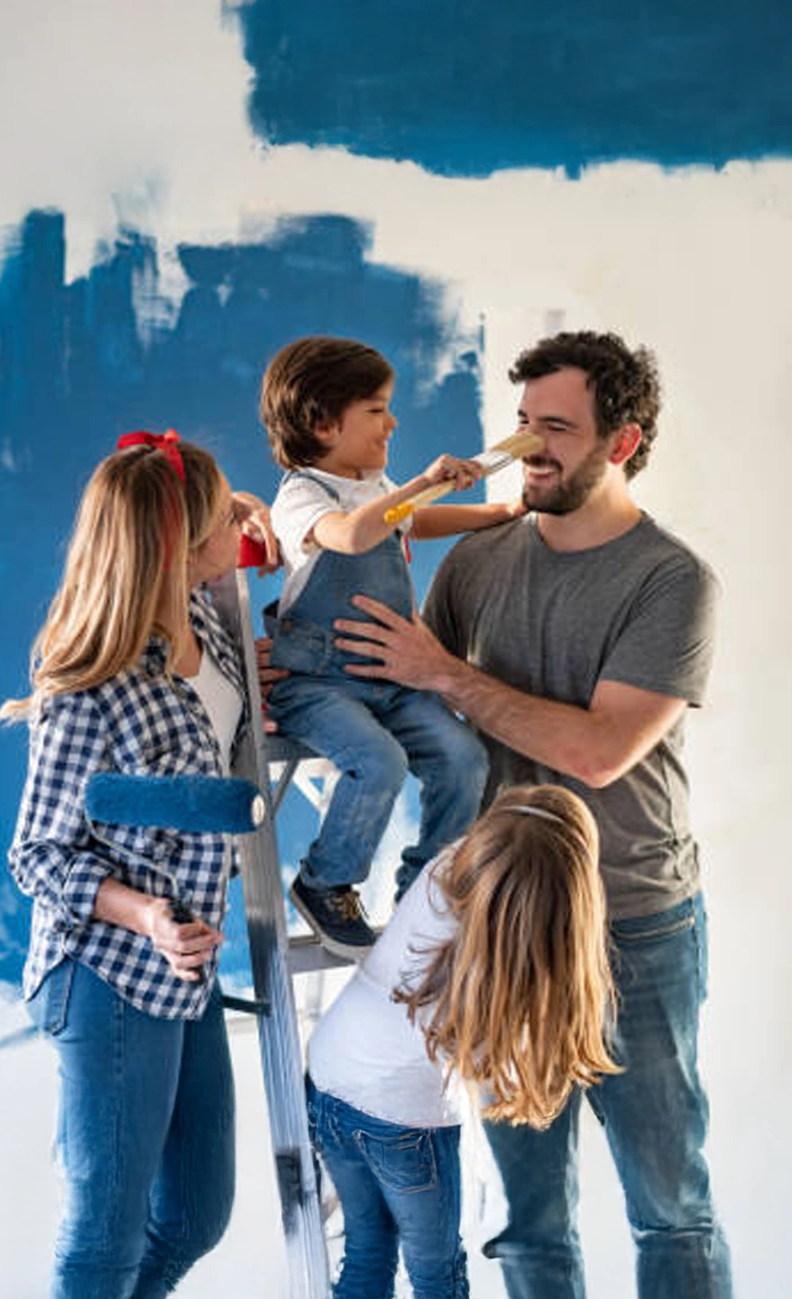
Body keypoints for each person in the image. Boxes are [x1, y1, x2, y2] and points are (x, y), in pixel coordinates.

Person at [332, 331, 733, 1299]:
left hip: (634, 923)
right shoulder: (479, 560)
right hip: (503, 924)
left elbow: (599, 750)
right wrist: (295, 680)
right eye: (521, 423)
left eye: (556, 428)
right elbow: (413, 692)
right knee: (527, 1224)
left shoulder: (672, 580)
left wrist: (445, 673)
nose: (526, 447)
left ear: (623, 442)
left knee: (669, 1206)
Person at [0, 430, 276, 1299]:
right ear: (173, 547)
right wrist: (148, 915)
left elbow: (236, 529)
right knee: (104, 1233)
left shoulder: (201, 619)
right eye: (216, 522)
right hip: (108, 970)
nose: (229, 529)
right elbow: (36, 854)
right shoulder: (90, 686)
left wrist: (258, 520)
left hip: (184, 964)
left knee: (196, 1213)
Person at [260, 334, 521, 958]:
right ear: (323, 424)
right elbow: (351, 537)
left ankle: (430, 889)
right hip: (319, 682)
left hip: (392, 676)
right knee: (379, 762)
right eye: (376, 410)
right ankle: (326, 882)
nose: (392, 422)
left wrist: (494, 512)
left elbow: (413, 520)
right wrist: (420, 485)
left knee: (463, 757)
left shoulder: (375, 483)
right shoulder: (303, 497)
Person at [306, 782, 620, 1299]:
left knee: (368, 1247)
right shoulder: (512, 951)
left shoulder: (446, 870)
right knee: (438, 1277)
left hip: (328, 1077)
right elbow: (504, 1068)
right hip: (404, 1118)